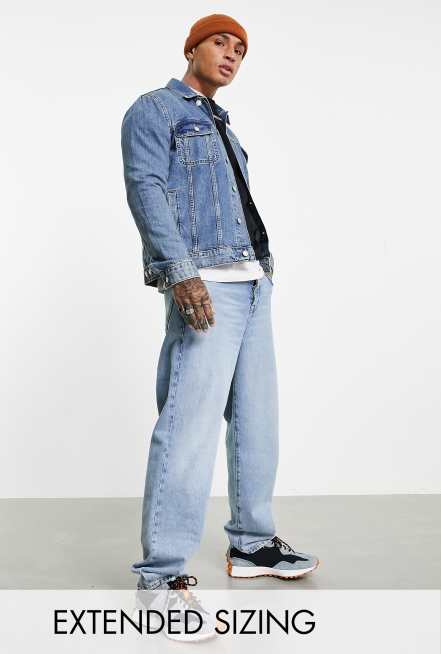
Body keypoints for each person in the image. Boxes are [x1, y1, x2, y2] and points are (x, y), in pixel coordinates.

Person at [121, 14, 319, 640]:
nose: (231, 55)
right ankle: (160, 578)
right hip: (204, 283)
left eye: (240, 50)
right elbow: (146, 187)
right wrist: (180, 274)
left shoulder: (224, 126)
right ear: (192, 48)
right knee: (189, 426)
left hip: (252, 282)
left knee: (258, 421)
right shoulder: (155, 109)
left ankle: (252, 543)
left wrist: (263, 272)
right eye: (219, 43)